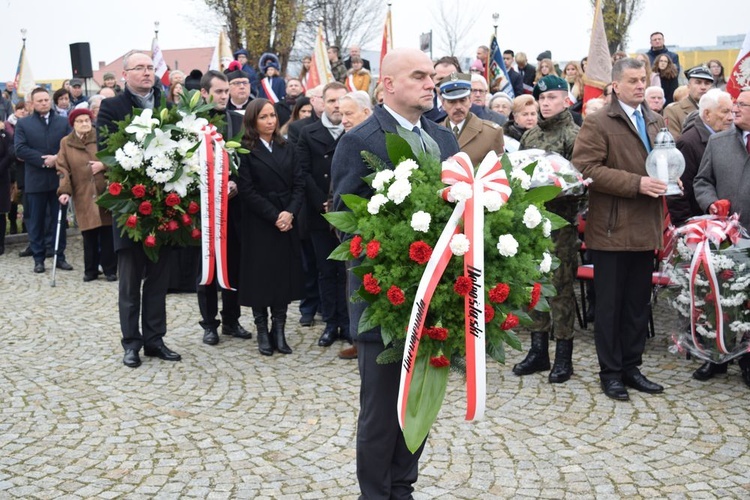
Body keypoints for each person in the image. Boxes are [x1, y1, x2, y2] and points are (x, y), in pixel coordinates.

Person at [330, 47, 459, 499]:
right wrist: (397, 265)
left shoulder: (444, 141)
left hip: (439, 299)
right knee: (382, 410)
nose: (432, 84)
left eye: (433, 77)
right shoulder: (361, 140)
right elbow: (345, 227)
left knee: (420, 401)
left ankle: (402, 484)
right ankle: (375, 492)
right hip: (385, 302)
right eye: (419, 76)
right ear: (388, 84)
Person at [572, 57, 667, 401]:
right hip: (612, 229)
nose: (641, 85)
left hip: (645, 226)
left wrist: (672, 180)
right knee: (610, 307)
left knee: (637, 306)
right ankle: (610, 373)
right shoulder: (598, 121)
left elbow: (664, 161)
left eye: (643, 79)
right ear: (616, 85)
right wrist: (636, 183)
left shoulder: (656, 119)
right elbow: (585, 168)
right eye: (633, 80)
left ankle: (632, 366)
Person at [97, 51, 182, 368]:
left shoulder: (167, 104)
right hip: (129, 204)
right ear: (125, 74)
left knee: (159, 280)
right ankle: (131, 343)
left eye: (150, 67)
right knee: (131, 281)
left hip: (164, 206)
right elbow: (106, 148)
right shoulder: (111, 106)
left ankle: (155, 340)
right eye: (140, 68)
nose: (147, 73)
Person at [516, 74, 581, 384]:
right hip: (533, 225)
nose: (545, 102)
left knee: (561, 289)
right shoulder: (529, 137)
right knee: (533, 287)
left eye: (552, 97)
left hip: (562, 226)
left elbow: (581, 183)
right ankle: (538, 350)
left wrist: (560, 187)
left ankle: (563, 356)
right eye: (541, 98)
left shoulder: (574, 134)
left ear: (565, 100)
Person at [238, 98, 305, 356]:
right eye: (264, 117)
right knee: (261, 279)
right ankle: (262, 331)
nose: (270, 121)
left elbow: (299, 184)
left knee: (281, 278)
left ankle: (279, 329)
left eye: (273, 116)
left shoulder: (287, 146)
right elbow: (247, 190)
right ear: (253, 120)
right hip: (260, 223)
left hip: (286, 220)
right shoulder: (245, 150)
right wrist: (275, 215)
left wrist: (289, 213)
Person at [693, 88, 750, 388]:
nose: (734, 110)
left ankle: (747, 358)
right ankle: (716, 357)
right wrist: (711, 203)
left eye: (742, 105)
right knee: (721, 298)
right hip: (726, 237)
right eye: (733, 104)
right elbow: (702, 181)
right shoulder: (718, 141)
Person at [193, 70, 252, 345]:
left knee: (233, 264)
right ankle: (209, 324)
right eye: (219, 92)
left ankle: (231, 319)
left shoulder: (236, 122)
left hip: (233, 207)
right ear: (204, 93)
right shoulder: (192, 125)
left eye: (226, 92)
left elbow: (244, 161)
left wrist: (235, 183)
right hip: (203, 209)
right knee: (206, 266)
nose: (224, 97)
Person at [296, 82, 350, 349]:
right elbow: (303, 172)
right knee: (326, 270)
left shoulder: (355, 130)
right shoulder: (308, 133)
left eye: (341, 100)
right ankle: (330, 322)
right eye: (331, 101)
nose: (337, 106)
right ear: (322, 103)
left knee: (347, 270)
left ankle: (348, 323)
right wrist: (324, 203)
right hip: (320, 214)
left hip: (348, 213)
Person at [13, 87, 73, 274]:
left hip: (58, 179)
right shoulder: (23, 124)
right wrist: (43, 160)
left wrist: (56, 158)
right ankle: (38, 258)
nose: (44, 103)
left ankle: (59, 256)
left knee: (59, 219)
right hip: (36, 180)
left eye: (46, 100)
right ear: (32, 103)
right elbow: (20, 149)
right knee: (36, 221)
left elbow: (70, 145)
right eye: (39, 101)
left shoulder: (63, 123)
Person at [56, 108, 116, 281]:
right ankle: (90, 270)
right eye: (80, 121)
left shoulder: (101, 137)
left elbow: (115, 158)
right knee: (88, 234)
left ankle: (110, 269)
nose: (84, 124)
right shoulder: (66, 143)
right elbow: (62, 168)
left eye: (87, 120)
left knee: (107, 233)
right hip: (82, 192)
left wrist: (103, 166)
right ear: (73, 124)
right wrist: (64, 191)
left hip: (103, 191)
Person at [335, 90, 373, 360]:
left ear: (366, 113)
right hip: (349, 225)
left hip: (369, 227)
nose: (344, 119)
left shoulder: (373, 141)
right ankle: (358, 337)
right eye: (341, 114)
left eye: (349, 114)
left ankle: (366, 339)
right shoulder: (346, 140)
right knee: (353, 285)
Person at [440, 72, 504, 166]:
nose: (458, 107)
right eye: (452, 102)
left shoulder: (491, 133)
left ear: (470, 101)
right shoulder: (433, 132)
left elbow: (499, 172)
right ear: (443, 104)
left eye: (462, 100)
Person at [664, 66, 714, 139]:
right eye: (698, 82)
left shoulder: (717, 109)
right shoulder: (673, 111)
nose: (703, 87)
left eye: (707, 83)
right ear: (688, 86)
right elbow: (675, 142)